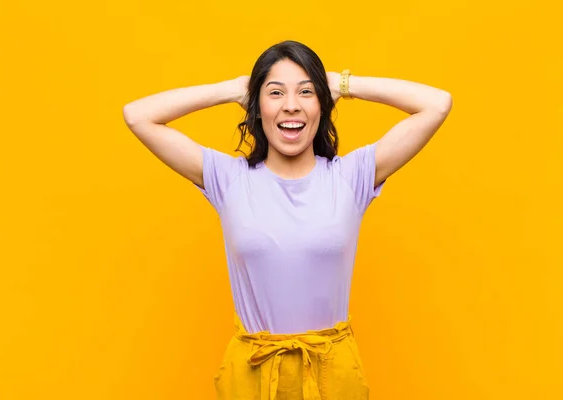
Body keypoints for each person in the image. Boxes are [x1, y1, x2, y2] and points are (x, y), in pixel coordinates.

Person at [122, 40, 452, 400]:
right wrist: (233, 89)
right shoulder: (228, 178)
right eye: (275, 92)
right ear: (256, 106)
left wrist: (341, 84)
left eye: (306, 92)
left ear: (322, 106)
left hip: (331, 373)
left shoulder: (351, 177)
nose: (291, 105)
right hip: (251, 372)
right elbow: (138, 115)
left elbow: (436, 104)